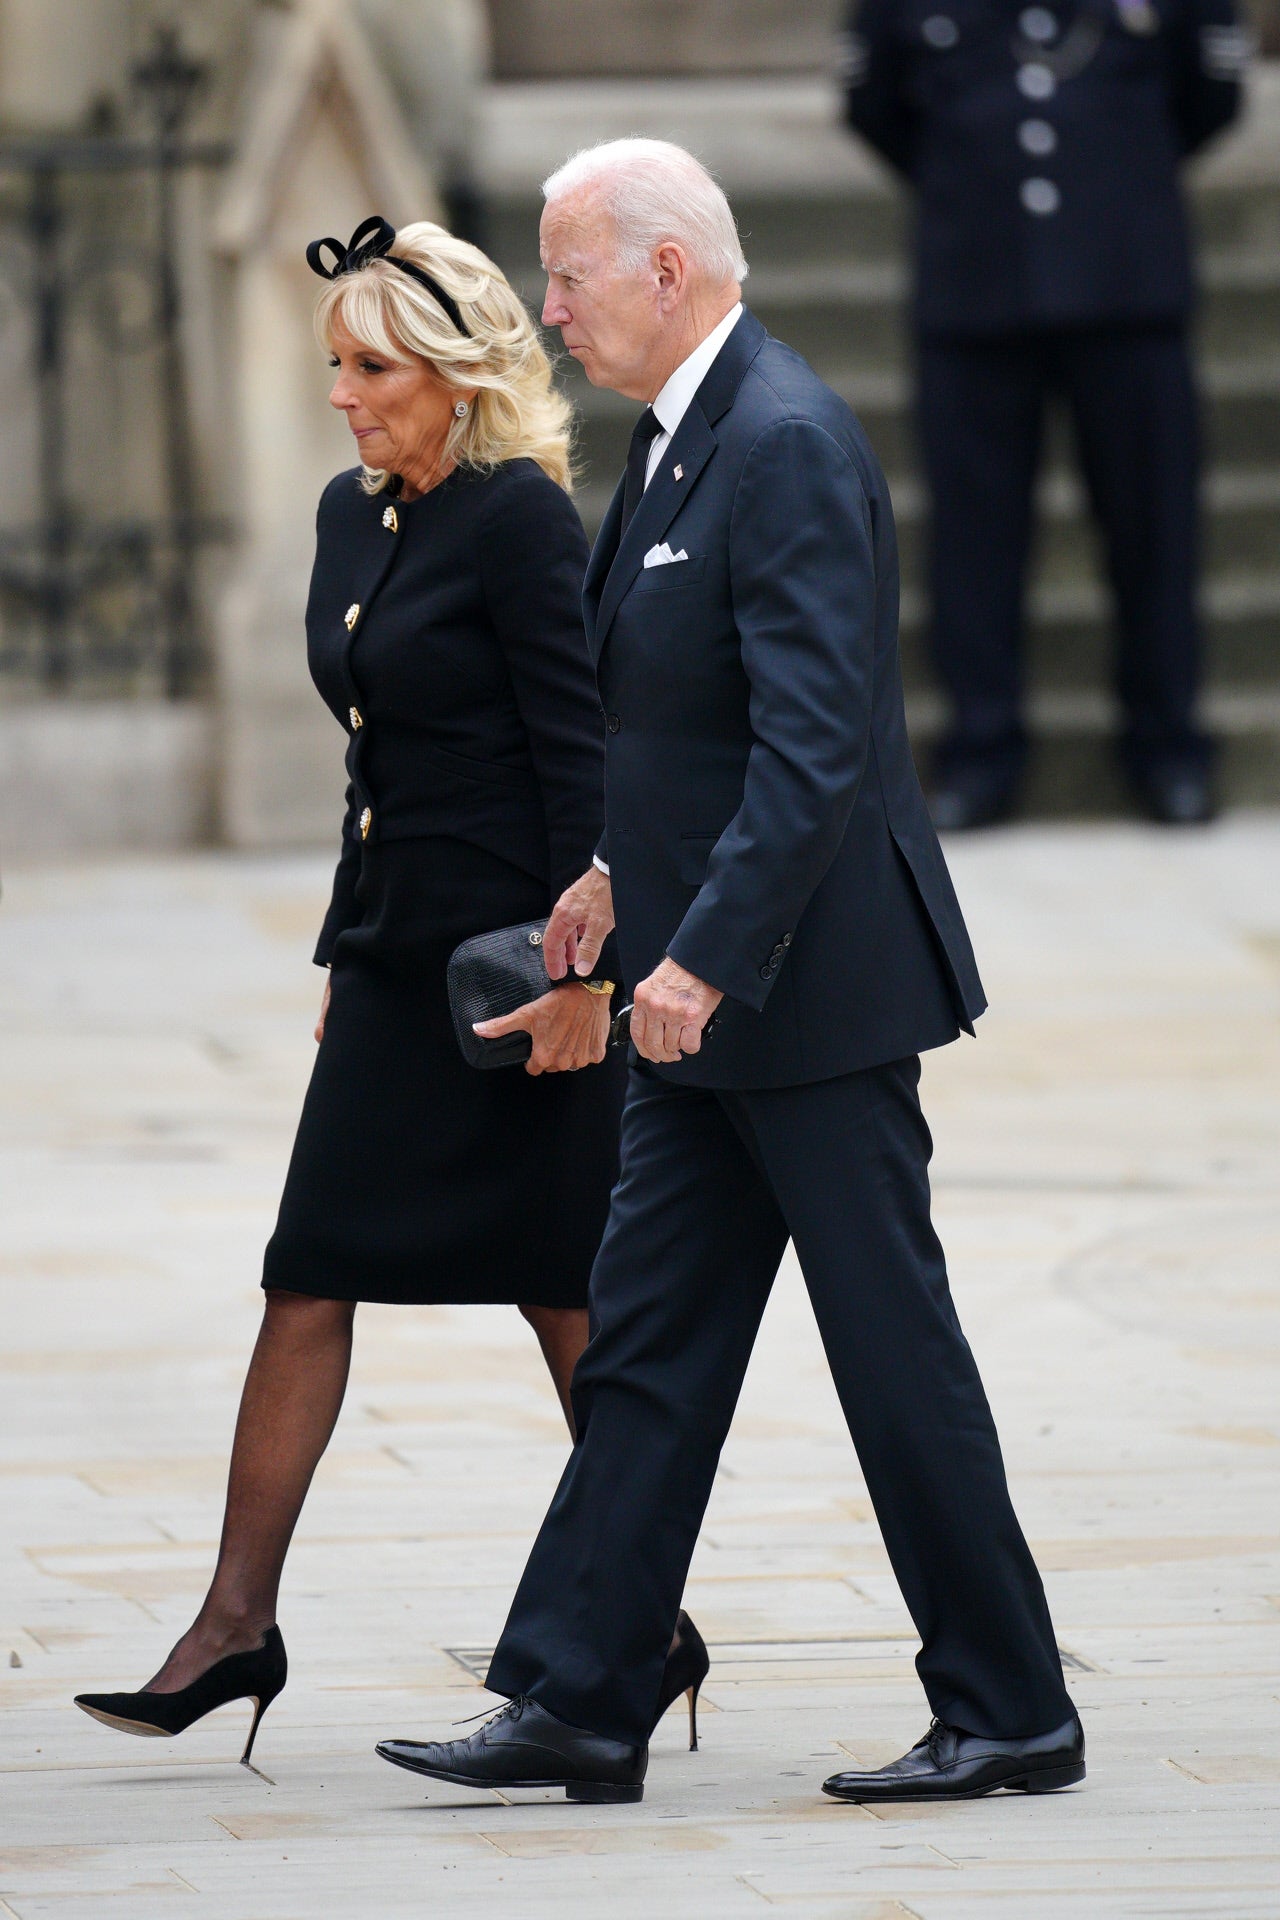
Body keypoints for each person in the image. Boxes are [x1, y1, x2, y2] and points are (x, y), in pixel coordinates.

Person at [373, 141, 1082, 1808]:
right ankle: (580, 1693)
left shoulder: (783, 441)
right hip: (703, 998)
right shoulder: (684, 437)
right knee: (648, 1353)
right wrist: (622, 882)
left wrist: (701, 953)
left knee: (894, 1358)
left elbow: (821, 747)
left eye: (566, 276)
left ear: (666, 270)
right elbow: (695, 718)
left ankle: (1011, 1708)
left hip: (806, 1006)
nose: (546, 310)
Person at [73, 216, 705, 1765]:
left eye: (371, 368)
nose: (345, 396)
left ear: (455, 375)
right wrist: (344, 959)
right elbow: (377, 760)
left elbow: (584, 765)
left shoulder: (521, 522)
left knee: (566, 1296)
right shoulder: (354, 517)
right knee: (310, 1269)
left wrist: (586, 983)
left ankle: (637, 1622)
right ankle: (234, 1626)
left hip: (520, 978)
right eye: (337, 367)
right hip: (389, 967)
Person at [843, 0, 1249, 828]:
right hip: (975, 285)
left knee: (1155, 530)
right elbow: (874, 105)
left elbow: (1210, 94)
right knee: (974, 538)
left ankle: (1169, 745)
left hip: (1129, 284)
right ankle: (981, 752)